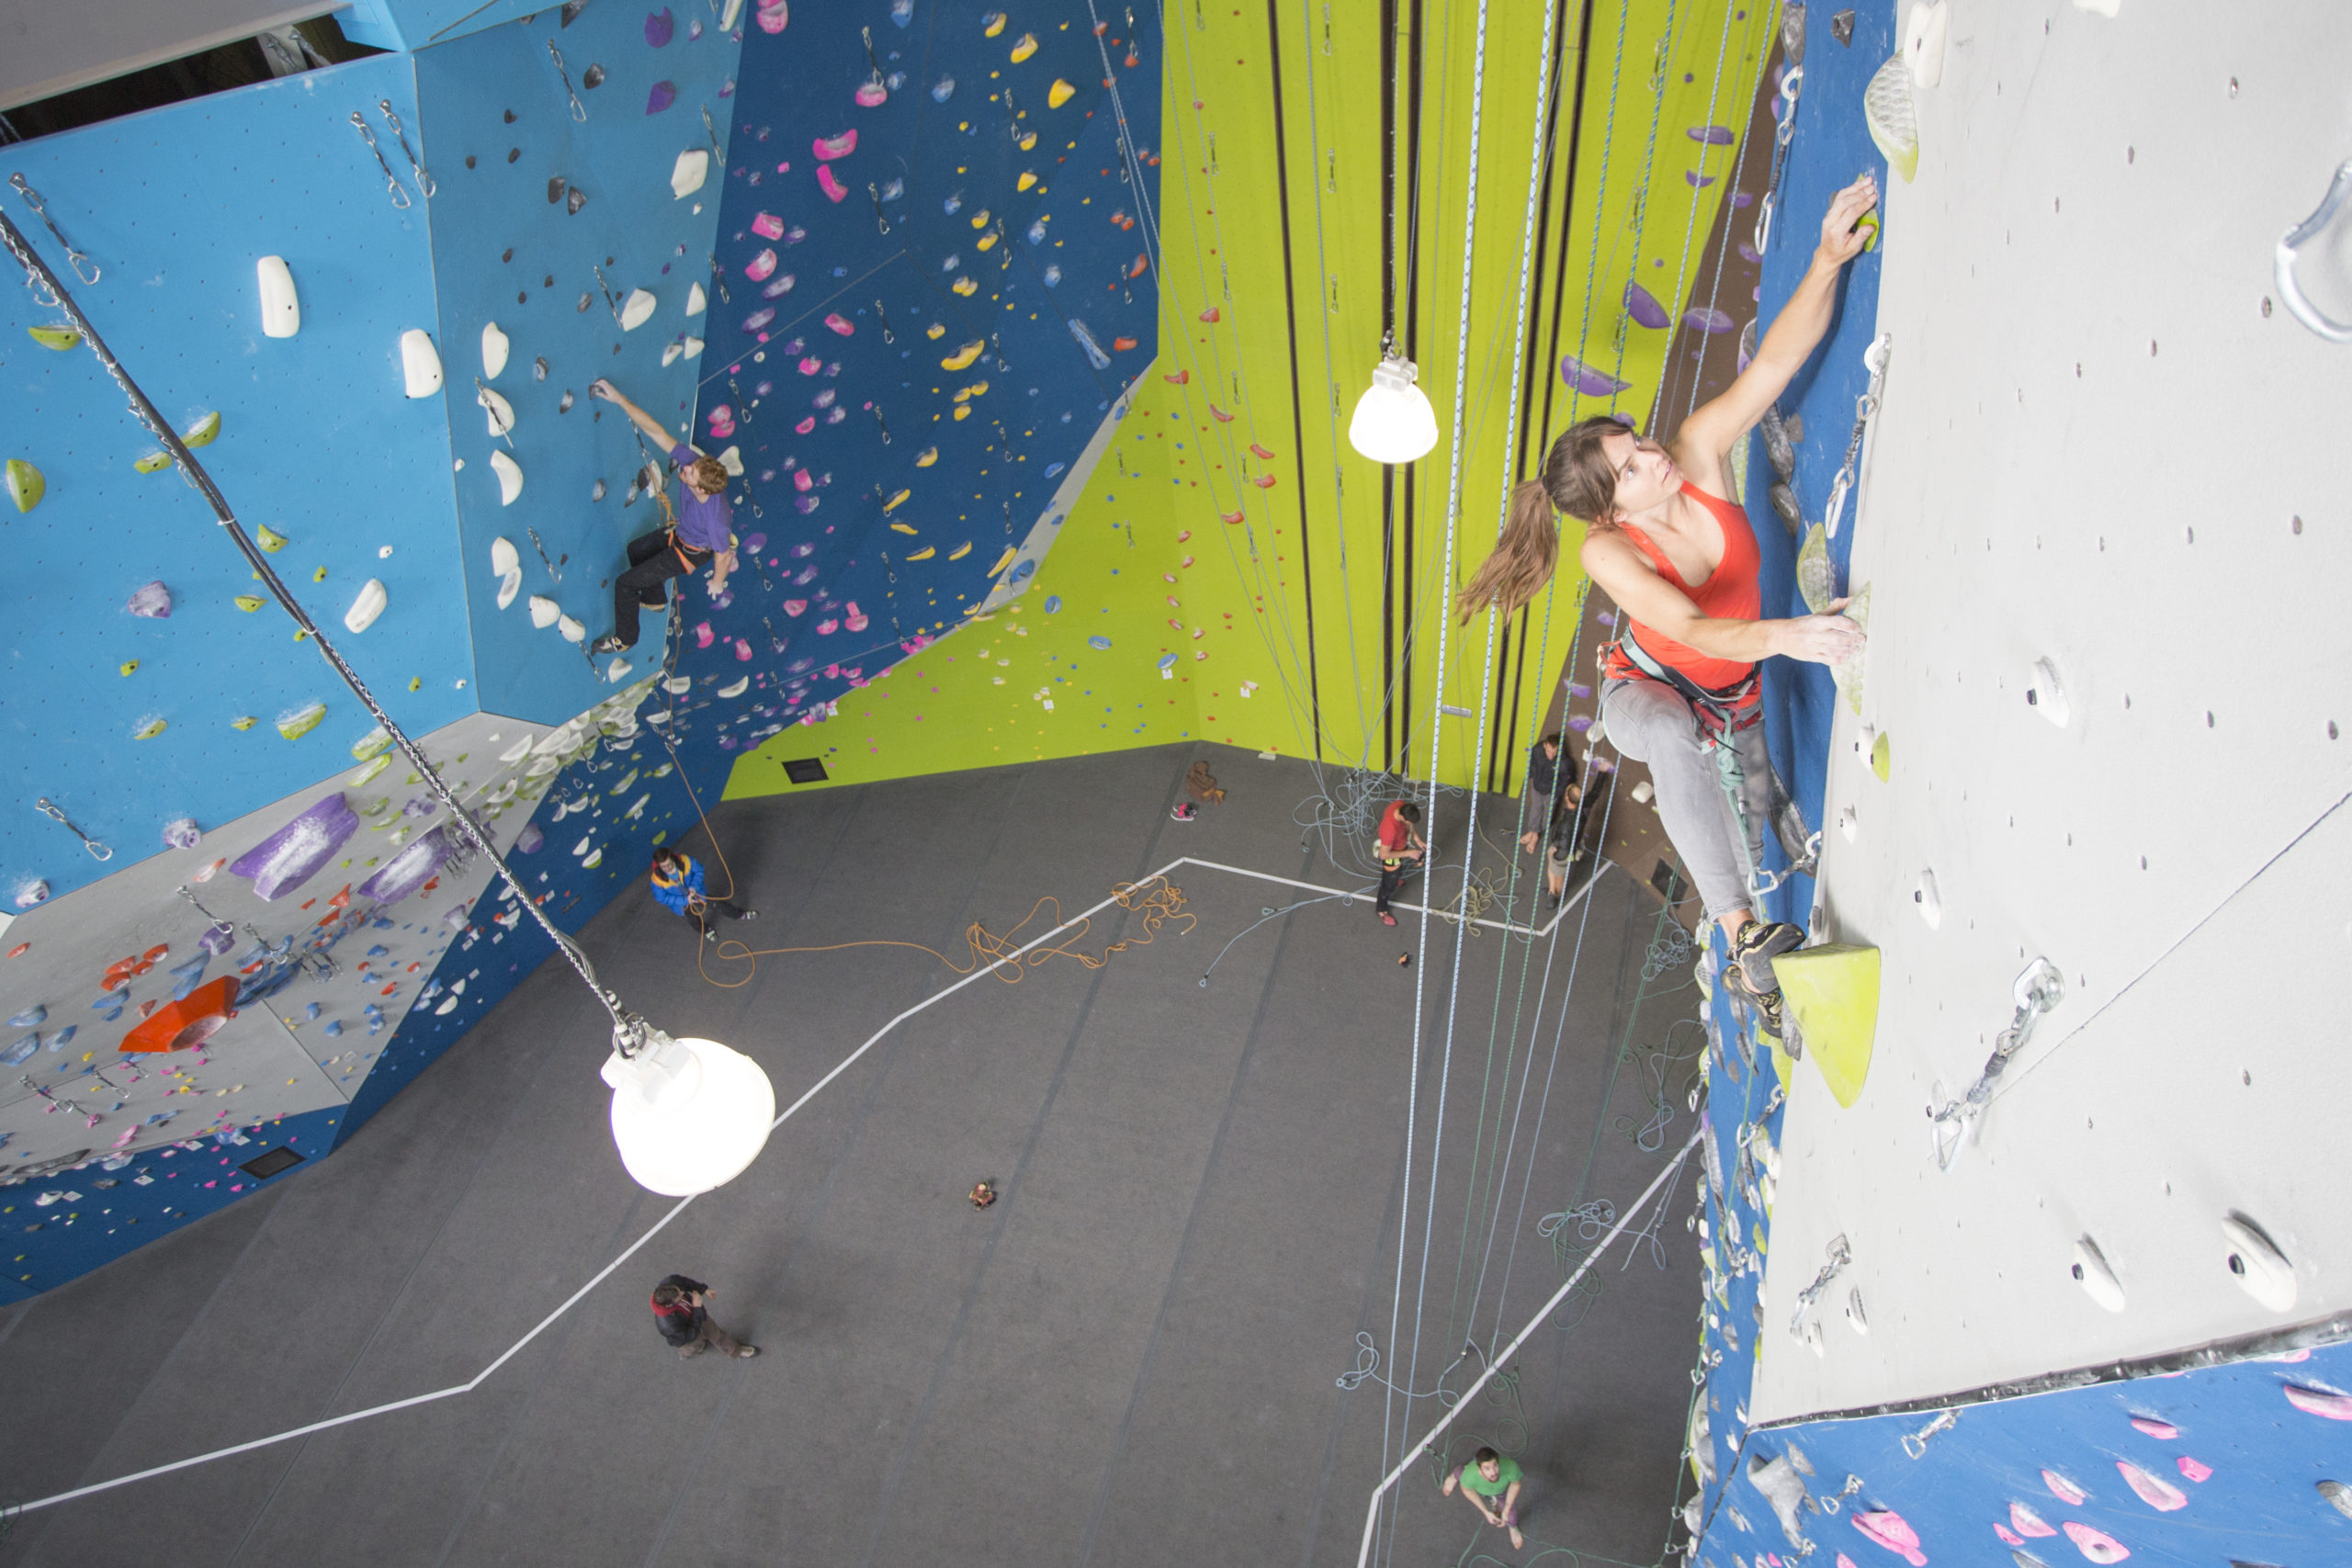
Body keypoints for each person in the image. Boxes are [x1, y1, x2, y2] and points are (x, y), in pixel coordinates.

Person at [1454, 175, 1878, 1028]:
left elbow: (1774, 364)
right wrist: (1790, 635)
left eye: (1638, 440)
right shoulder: (1606, 548)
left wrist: (1829, 259)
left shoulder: (1697, 449)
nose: (1654, 454)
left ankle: (1747, 969)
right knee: (1677, 744)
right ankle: (1742, 936)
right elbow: (1684, 626)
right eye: (1635, 465)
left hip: (1736, 690)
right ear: (1615, 509)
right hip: (1645, 693)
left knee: (1754, 836)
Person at [587, 378, 738, 654]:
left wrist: (717, 581)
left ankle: (626, 638)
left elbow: (724, 554)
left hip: (689, 553)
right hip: (682, 534)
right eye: (692, 465)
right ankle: (655, 598)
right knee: (636, 549)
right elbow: (657, 432)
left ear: (701, 488)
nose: (686, 468)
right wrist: (620, 399)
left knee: (625, 584)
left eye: (690, 472)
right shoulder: (696, 466)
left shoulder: (716, 520)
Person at [1519, 732, 1585, 908]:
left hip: (1551, 792)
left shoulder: (1564, 763)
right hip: (1538, 786)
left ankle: (1537, 834)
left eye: (1554, 752)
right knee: (1535, 809)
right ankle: (1533, 832)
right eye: (1548, 751)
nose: (1550, 755)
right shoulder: (1538, 751)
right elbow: (1532, 763)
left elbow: (1565, 780)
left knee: (1547, 814)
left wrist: (1556, 794)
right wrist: (1533, 777)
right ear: (1545, 746)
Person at [650, 846, 755, 939]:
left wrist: (694, 887)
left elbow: (699, 870)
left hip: (698, 894)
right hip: (682, 905)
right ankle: (706, 931)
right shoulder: (657, 880)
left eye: (669, 864)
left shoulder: (686, 861)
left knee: (719, 905)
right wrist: (685, 900)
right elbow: (662, 898)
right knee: (694, 921)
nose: (667, 868)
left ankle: (739, 915)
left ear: (672, 858)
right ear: (659, 866)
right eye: (663, 867)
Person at [650, 1274, 759, 1360]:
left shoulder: (671, 1283)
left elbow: (686, 1283)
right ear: (669, 1305)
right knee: (693, 1344)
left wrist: (704, 1290)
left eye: (679, 1290)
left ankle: (735, 1350)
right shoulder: (669, 1325)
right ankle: (689, 1351)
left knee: (716, 1333)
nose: (683, 1292)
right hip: (687, 1335)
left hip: (696, 1316)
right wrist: (696, 1309)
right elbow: (691, 1334)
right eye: (680, 1296)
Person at [1442, 1446, 1526, 1551]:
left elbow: (1515, 1484)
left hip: (1501, 1492)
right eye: (1487, 1468)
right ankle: (1453, 1477)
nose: (1493, 1472)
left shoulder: (1510, 1467)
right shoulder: (1470, 1475)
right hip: (1480, 1489)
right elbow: (1467, 1490)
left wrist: (1507, 1507)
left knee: (1511, 1515)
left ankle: (1513, 1528)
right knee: (1461, 1472)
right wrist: (1486, 1512)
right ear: (1480, 1470)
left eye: (1495, 1465)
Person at [1373, 798, 1426, 928]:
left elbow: (1410, 824)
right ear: (1402, 817)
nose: (1410, 824)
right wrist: (1409, 853)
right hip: (1392, 857)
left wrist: (1417, 839)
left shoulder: (1401, 805)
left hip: (1400, 847)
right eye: (1409, 821)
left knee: (1397, 873)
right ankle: (1381, 910)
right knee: (1388, 886)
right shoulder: (1389, 830)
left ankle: (1396, 879)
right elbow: (1384, 854)